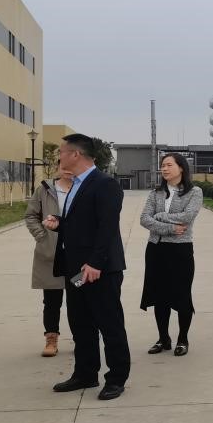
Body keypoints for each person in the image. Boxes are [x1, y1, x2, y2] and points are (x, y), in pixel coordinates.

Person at [46, 134, 130, 400]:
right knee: (80, 322)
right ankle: (85, 373)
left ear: (75, 154)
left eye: (61, 152)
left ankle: (116, 378)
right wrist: (60, 223)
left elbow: (107, 227)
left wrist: (95, 262)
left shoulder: (105, 184)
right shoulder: (76, 184)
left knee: (109, 323)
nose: (59, 157)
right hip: (77, 270)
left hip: (99, 270)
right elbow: (84, 222)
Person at [139, 153, 204, 355]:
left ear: (181, 167)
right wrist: (170, 228)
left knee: (182, 295)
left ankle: (182, 339)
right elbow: (144, 219)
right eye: (163, 165)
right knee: (159, 296)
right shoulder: (156, 193)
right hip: (156, 249)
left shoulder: (194, 192)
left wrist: (160, 216)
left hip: (180, 250)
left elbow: (188, 216)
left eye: (169, 165)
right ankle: (163, 338)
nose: (164, 169)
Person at [24, 166, 74, 357]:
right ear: (57, 167)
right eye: (63, 166)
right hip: (50, 254)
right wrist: (42, 236)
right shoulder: (44, 190)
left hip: (77, 256)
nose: (68, 170)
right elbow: (31, 215)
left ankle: (81, 338)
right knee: (52, 301)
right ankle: (51, 338)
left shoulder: (84, 188)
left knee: (79, 301)